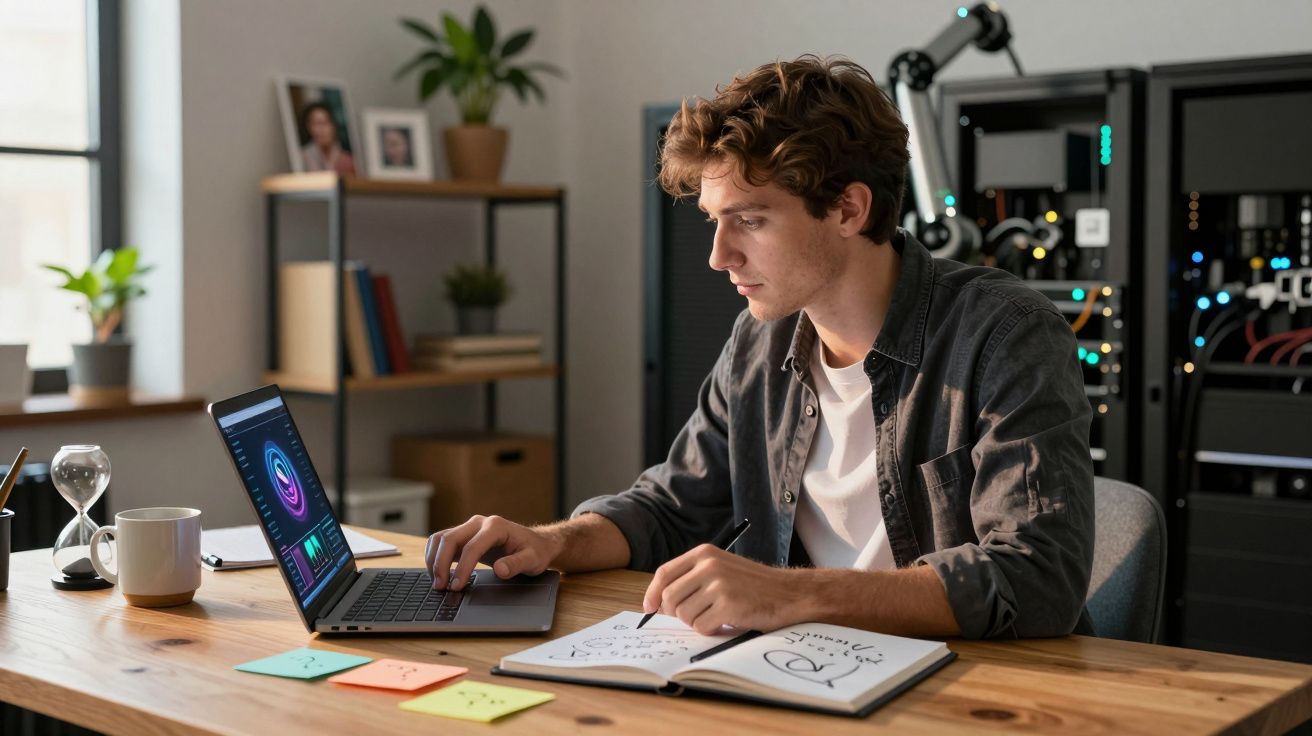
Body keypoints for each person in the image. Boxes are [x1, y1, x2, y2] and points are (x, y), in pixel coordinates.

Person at [425, 55, 1095, 640]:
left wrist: (791, 594)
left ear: (848, 209)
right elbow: (671, 507)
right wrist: (550, 543)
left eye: (749, 220)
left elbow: (1036, 579)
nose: (719, 256)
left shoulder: (1007, 333)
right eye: (715, 222)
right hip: (812, 675)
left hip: (974, 689)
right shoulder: (759, 339)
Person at [299, 101, 356, 176]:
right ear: (308, 128)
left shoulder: (348, 160)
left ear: (334, 126)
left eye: (325, 123)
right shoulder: (302, 159)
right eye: (316, 124)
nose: (321, 129)